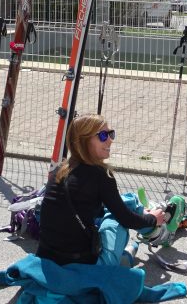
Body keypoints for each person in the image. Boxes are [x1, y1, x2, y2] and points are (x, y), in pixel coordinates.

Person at [38, 114, 165, 266]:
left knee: (123, 204)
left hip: (47, 258)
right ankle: (153, 228)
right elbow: (126, 219)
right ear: (84, 141)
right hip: (81, 263)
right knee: (118, 221)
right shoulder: (101, 176)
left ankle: (150, 227)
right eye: (103, 135)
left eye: (111, 134)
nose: (110, 139)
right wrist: (152, 220)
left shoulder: (59, 170)